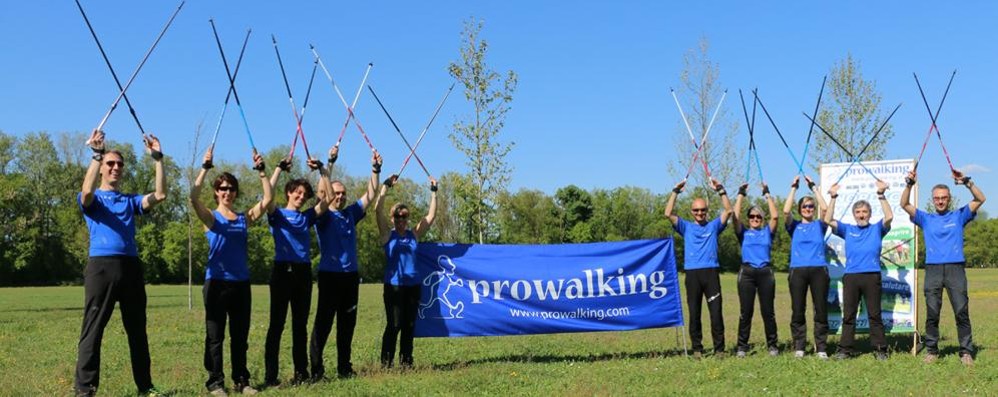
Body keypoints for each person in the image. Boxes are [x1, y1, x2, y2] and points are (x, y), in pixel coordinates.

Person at [75, 130, 167, 397]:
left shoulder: (130, 201)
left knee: (137, 330)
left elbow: (160, 195)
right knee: (93, 331)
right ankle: (85, 390)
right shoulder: (92, 200)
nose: (116, 168)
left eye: (119, 165)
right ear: (102, 169)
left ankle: (145, 386)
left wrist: (158, 159)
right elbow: (86, 190)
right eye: (110, 164)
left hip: (131, 268)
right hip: (101, 268)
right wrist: (96, 155)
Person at [190, 148, 272, 395]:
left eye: (231, 189)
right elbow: (193, 197)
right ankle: (215, 382)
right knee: (215, 337)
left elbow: (267, 199)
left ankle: (242, 381)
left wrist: (261, 171)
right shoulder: (211, 219)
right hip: (216, 284)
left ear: (235, 192)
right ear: (216, 192)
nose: (227, 192)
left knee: (239, 337)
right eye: (222, 188)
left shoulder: (243, 219)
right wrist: (204, 168)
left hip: (241, 284)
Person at [901, 169, 986, 366]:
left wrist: (966, 182)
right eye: (937, 198)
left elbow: (980, 198)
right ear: (933, 200)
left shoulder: (959, 215)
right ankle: (931, 350)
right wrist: (909, 184)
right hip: (933, 270)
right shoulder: (925, 218)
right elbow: (904, 204)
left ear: (949, 199)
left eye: (944, 198)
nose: (940, 201)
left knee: (961, 311)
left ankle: (965, 351)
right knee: (932, 313)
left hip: (956, 269)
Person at [310, 146, 381, 380]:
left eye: (343, 194)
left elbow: (370, 195)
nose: (339, 197)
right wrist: (328, 165)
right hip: (330, 276)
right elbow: (323, 190)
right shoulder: (322, 215)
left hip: (350, 277)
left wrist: (375, 170)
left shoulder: (350, 213)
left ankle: (344, 368)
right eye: (336, 193)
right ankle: (317, 370)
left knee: (347, 325)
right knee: (324, 324)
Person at [263, 155, 330, 386]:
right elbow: (267, 196)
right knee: (276, 326)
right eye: (297, 193)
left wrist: (323, 169)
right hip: (282, 272)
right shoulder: (277, 214)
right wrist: (278, 169)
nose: (301, 197)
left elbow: (328, 199)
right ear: (289, 193)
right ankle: (270, 377)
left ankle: (301, 374)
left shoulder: (306, 217)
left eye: (304, 195)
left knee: (299, 326)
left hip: (302, 273)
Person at [664, 178, 732, 358]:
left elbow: (728, 210)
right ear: (691, 212)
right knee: (694, 313)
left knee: (716, 313)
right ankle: (697, 349)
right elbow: (668, 212)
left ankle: (719, 349)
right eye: (696, 210)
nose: (700, 213)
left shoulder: (714, 226)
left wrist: (720, 189)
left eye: (702, 210)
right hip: (693, 274)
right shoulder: (685, 227)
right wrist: (675, 191)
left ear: (707, 211)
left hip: (711, 272)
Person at [375, 174, 438, 368]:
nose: (402, 220)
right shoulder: (387, 235)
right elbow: (377, 210)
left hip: (413, 287)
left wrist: (434, 192)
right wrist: (385, 187)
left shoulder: (414, 234)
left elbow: (431, 216)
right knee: (394, 325)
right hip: (394, 287)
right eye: (398, 216)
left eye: (405, 216)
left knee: (409, 326)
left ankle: (406, 362)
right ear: (392, 218)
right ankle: (386, 363)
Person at [824, 180, 892, 360]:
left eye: (865, 212)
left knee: (874, 315)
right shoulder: (848, 229)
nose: (861, 215)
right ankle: (845, 349)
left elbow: (889, 217)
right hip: (851, 277)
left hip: (871, 276)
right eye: (858, 212)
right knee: (849, 315)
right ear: (854, 215)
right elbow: (827, 219)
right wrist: (833, 197)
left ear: (870, 214)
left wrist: (881, 195)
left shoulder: (877, 228)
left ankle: (880, 349)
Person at [782, 175, 831, 359]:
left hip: (819, 270)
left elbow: (825, 209)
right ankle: (800, 346)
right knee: (798, 309)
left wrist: (814, 188)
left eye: (811, 206)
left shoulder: (819, 225)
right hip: (798, 271)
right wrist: (794, 188)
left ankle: (821, 348)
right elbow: (786, 212)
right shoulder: (793, 226)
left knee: (820, 309)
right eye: (805, 206)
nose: (808, 209)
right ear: (800, 209)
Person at [732, 182, 779, 358]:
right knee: (746, 312)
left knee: (768, 312)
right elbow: (734, 217)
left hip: (765, 273)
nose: (755, 219)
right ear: (748, 218)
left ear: (762, 219)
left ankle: (773, 346)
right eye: (752, 217)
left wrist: (767, 194)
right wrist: (740, 195)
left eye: (758, 217)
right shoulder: (743, 232)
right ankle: (742, 347)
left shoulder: (768, 232)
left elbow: (775, 217)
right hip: (747, 273)